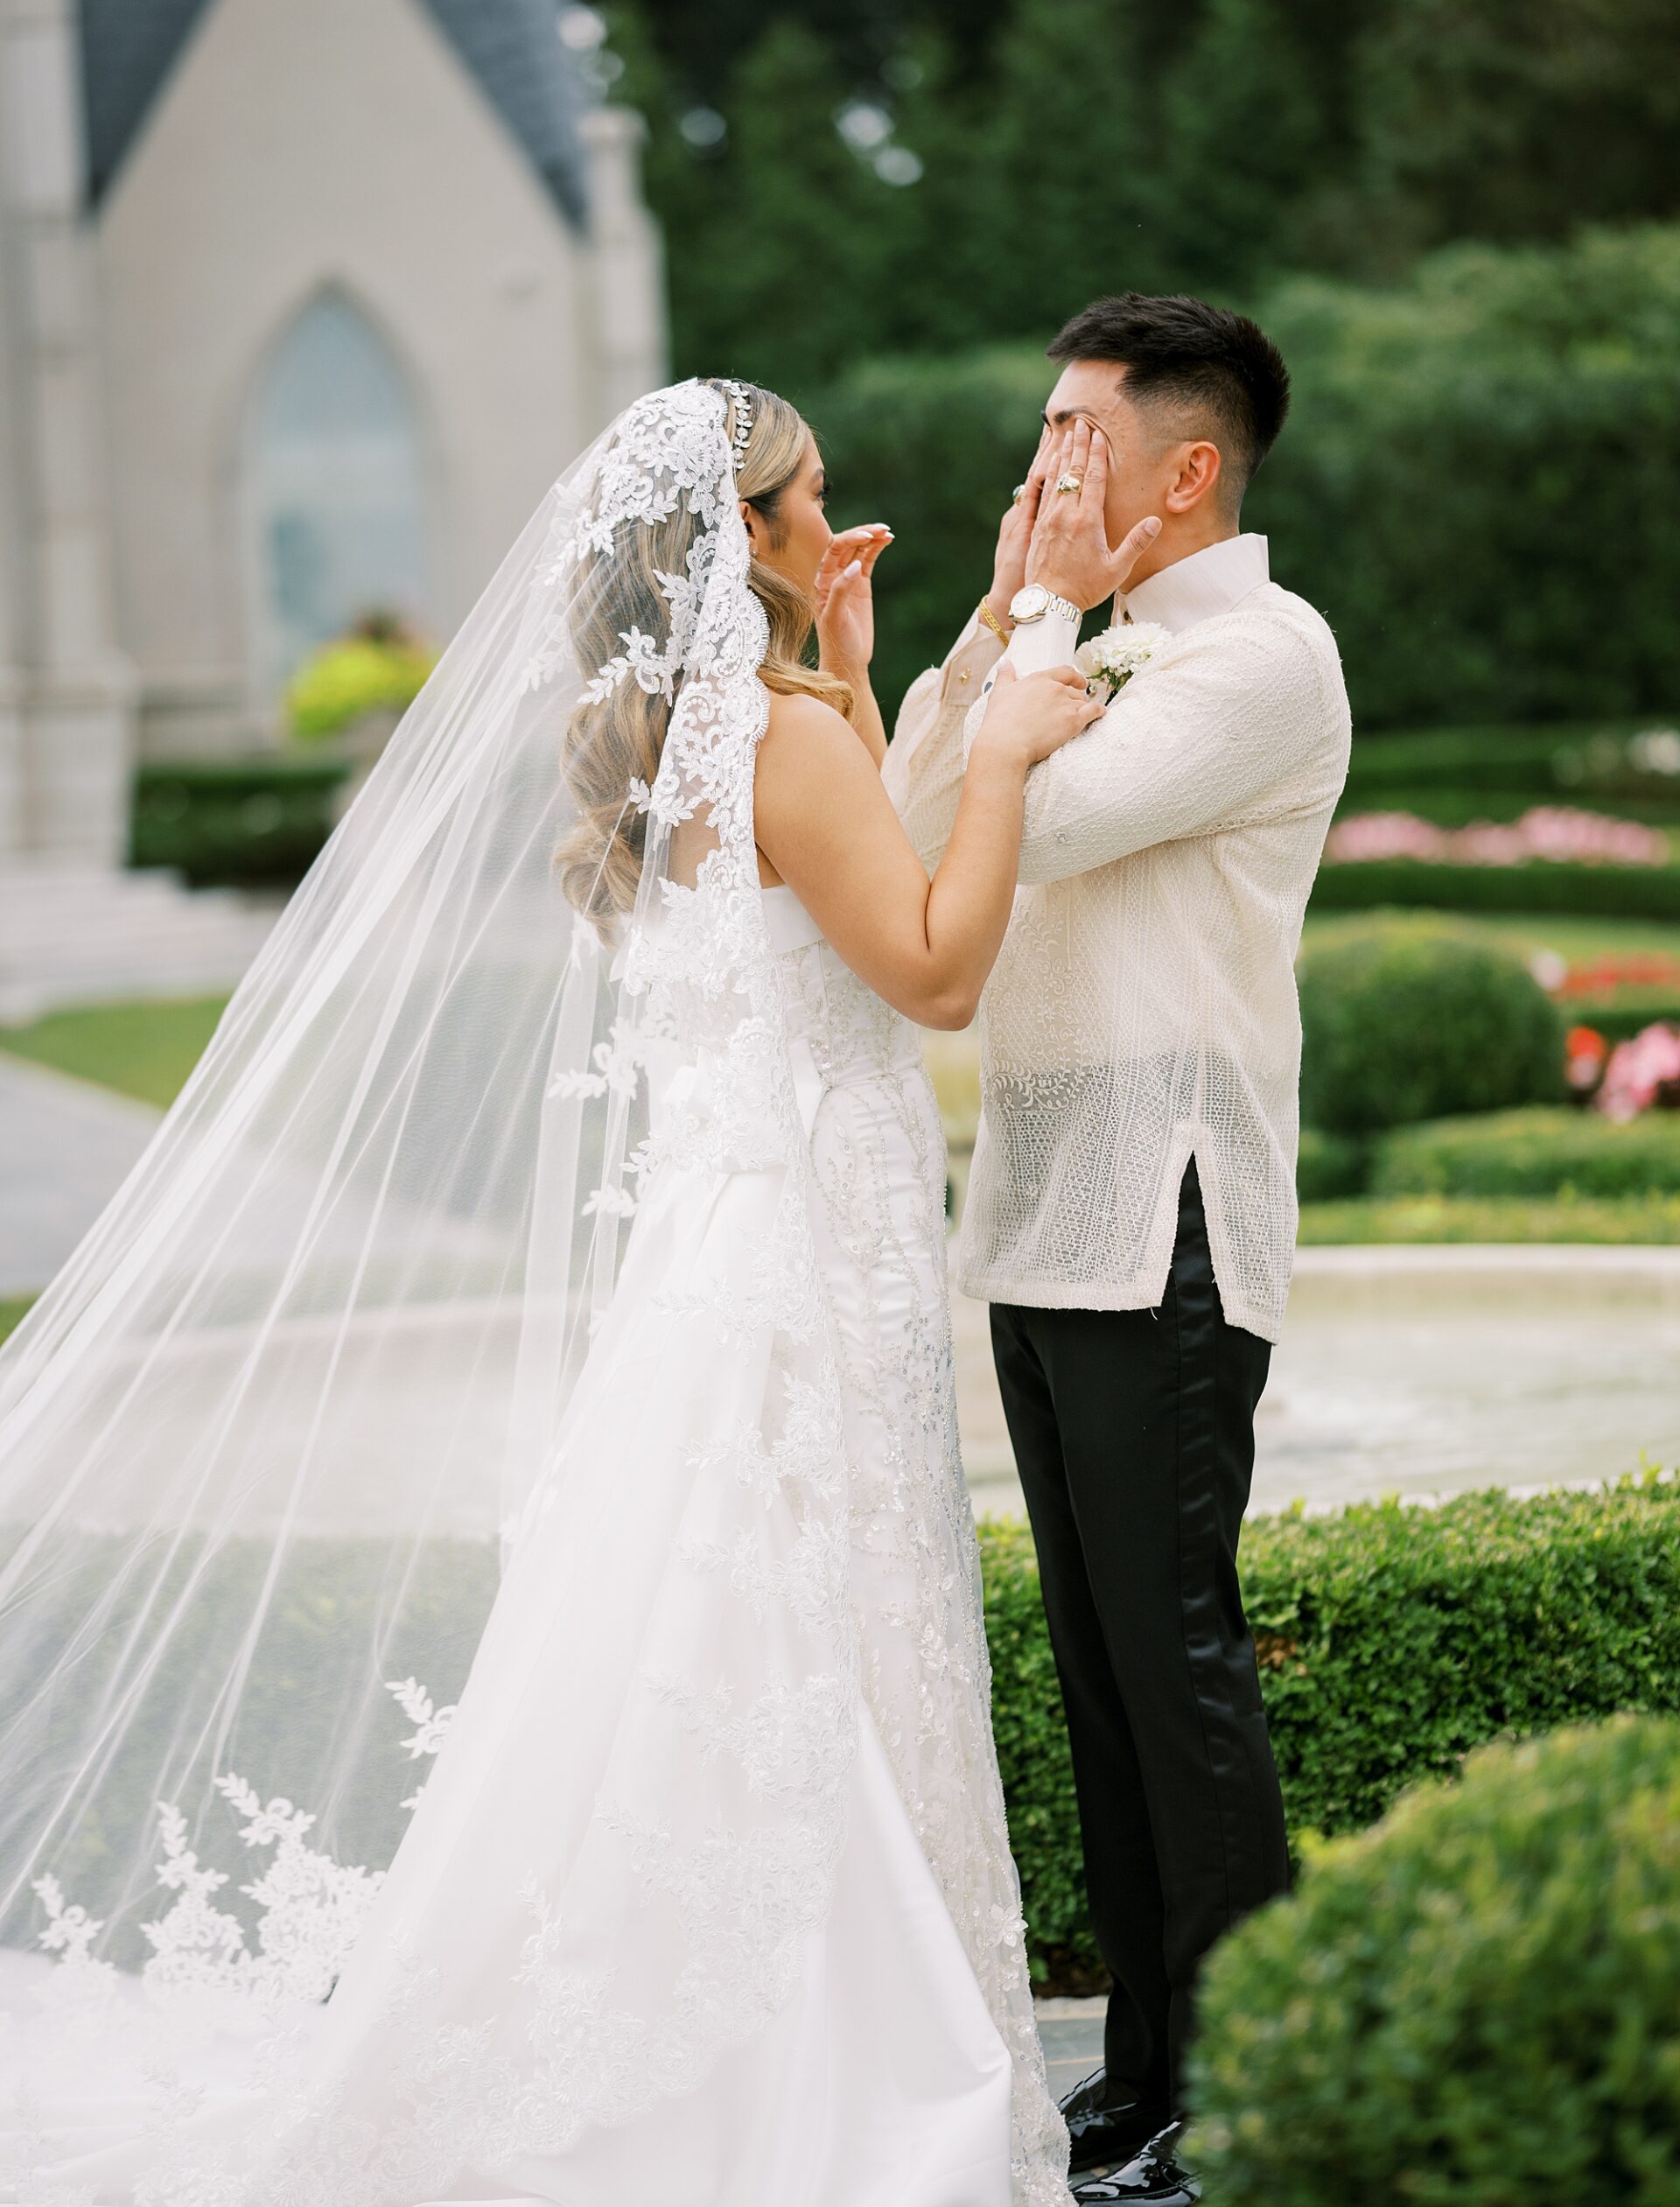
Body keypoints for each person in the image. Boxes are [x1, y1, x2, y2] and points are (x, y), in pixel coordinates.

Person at [0, 378, 1157, 2205]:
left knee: (755, 1633)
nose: (836, 517)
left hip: (736, 1240)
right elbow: (929, 968)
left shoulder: (703, 730)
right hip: (806, 1254)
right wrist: (1005, 740)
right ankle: (818, 2084)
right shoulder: (773, 736)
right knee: (824, 1639)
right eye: (817, 501)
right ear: (754, 534)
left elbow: (813, 911)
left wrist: (846, 660)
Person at [885, 292, 1352, 2202]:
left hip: (1166, 1209)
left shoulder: (1262, 657)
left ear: (1190, 466)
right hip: (1042, 1202)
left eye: (1081, 435)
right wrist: (1015, 618)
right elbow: (915, 826)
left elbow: (1034, 830)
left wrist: (1037, 632)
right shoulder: (1075, 638)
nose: (1045, 467)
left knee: (1177, 1656)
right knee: (1096, 1665)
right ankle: (1148, 2070)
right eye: (1043, 430)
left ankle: (1254, 2084)